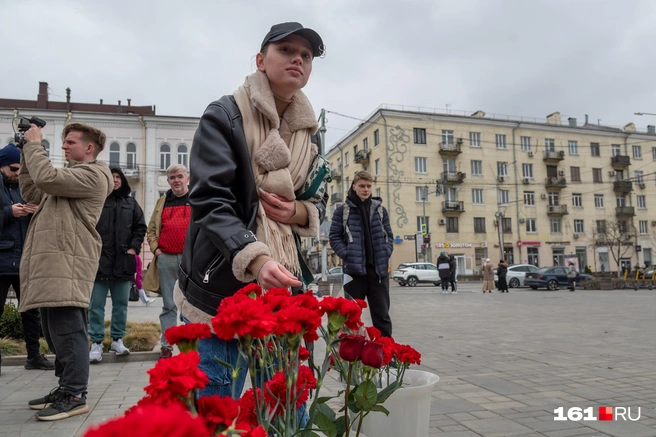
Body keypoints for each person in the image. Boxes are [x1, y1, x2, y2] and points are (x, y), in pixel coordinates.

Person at [175, 22, 327, 398]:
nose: (298, 59)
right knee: (216, 412)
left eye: (306, 55)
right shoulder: (225, 114)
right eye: (287, 50)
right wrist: (257, 261)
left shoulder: (311, 133)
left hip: (281, 291)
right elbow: (210, 199)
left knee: (284, 408)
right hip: (221, 290)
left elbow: (316, 198)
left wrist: (296, 212)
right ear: (260, 60)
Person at [19, 123, 112, 421]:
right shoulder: (69, 177)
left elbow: (45, 177)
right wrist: (25, 151)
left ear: (89, 148)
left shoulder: (93, 175)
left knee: (68, 328)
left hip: (68, 260)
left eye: (69, 142)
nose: (63, 146)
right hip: (54, 261)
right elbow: (32, 188)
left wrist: (36, 145)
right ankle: (65, 387)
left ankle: (74, 394)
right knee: (53, 327)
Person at [0, 144, 54, 372]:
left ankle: (34, 356)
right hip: (2, 261)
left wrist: (35, 209)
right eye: (13, 168)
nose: (16, 173)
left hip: (26, 260)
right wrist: (9, 212)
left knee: (31, 312)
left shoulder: (23, 185)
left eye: (20, 169)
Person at [88, 168, 146, 363]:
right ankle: (96, 343)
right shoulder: (96, 202)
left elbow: (140, 227)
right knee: (96, 305)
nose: (115, 180)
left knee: (121, 305)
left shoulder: (131, 203)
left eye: (118, 177)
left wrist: (134, 248)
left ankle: (117, 340)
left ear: (122, 180)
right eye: (111, 177)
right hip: (99, 261)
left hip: (123, 261)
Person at [330, 171, 394, 336]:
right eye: (362, 186)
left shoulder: (380, 210)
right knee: (350, 318)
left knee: (382, 317)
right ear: (354, 186)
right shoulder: (342, 211)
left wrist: (386, 252)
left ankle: (386, 356)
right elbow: (334, 237)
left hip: (378, 273)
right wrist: (347, 254)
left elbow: (389, 236)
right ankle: (350, 357)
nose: (366, 189)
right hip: (354, 273)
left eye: (368, 186)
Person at [143, 164, 190, 360]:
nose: (176, 180)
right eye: (172, 177)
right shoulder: (162, 202)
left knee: (191, 305)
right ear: (168, 181)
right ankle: (167, 346)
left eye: (179, 176)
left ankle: (192, 344)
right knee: (169, 305)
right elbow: (151, 229)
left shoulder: (196, 199)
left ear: (187, 178)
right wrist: (156, 250)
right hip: (166, 259)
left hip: (191, 260)